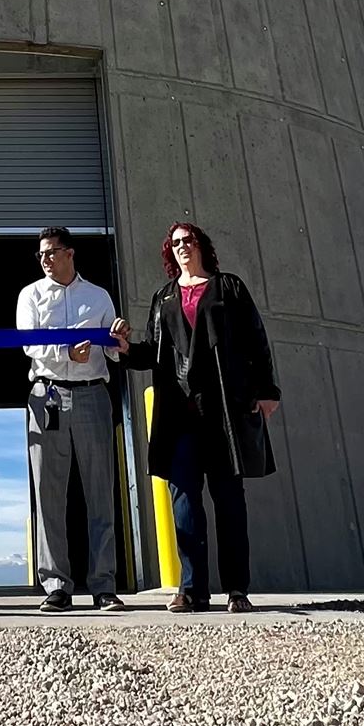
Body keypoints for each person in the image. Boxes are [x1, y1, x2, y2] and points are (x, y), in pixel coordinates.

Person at [123, 221, 280, 613]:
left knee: (229, 499)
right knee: (183, 500)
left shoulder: (229, 287)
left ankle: (237, 590)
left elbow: (256, 340)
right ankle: (191, 589)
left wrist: (267, 392)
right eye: (175, 242)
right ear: (169, 251)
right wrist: (124, 348)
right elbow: (152, 353)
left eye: (188, 240)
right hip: (179, 414)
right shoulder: (163, 298)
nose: (182, 246)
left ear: (202, 245)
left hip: (224, 409)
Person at [16, 227, 129, 612]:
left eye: (52, 252)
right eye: (41, 255)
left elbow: (114, 351)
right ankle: (57, 586)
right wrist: (67, 354)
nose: (45, 260)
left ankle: (103, 585)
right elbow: (28, 343)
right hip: (45, 395)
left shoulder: (98, 296)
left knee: (101, 491)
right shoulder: (29, 295)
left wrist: (118, 340)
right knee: (49, 494)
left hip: (93, 394)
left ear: (70, 254)